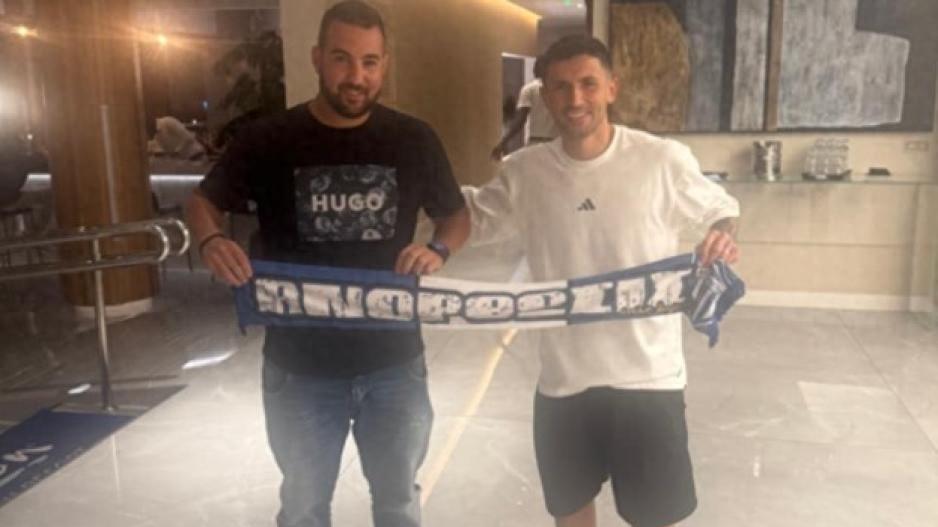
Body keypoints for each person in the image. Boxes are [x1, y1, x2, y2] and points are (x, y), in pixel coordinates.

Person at [185, 2, 470, 526]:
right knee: (303, 509)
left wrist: (439, 249)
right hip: (299, 369)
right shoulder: (268, 139)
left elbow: (455, 216)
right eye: (342, 59)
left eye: (369, 62)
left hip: (395, 364)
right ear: (317, 58)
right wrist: (210, 241)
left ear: (384, 64)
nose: (356, 76)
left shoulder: (414, 139)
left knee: (399, 504)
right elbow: (204, 201)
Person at [465, 35, 740, 527]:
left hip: (648, 379)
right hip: (564, 383)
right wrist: (417, 200)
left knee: (653, 518)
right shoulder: (525, 171)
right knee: (571, 516)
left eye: (588, 84)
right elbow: (472, 218)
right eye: (560, 87)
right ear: (545, 95)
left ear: (612, 87)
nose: (575, 99)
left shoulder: (661, 159)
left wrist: (720, 235)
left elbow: (721, 209)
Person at [490, 58, 559, 160]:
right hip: (557, 145)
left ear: (535, 70)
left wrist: (503, 142)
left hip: (535, 144)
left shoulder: (529, 89)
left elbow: (520, 120)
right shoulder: (560, 89)